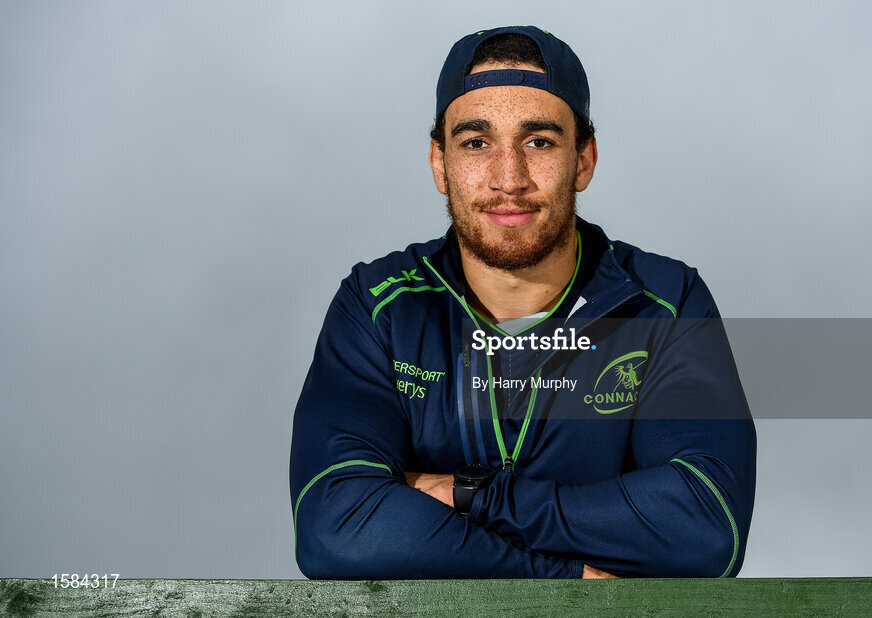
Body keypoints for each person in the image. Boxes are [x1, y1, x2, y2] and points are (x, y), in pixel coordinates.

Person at [289, 25, 756, 579]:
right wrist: (556, 577)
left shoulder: (664, 305)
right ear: (440, 163)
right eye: (476, 142)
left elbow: (707, 529)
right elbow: (335, 529)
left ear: (583, 159)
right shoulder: (379, 308)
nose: (508, 179)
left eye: (538, 142)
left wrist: (472, 496)